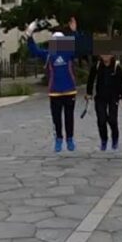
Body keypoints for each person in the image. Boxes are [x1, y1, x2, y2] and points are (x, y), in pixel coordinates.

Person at [27, 17, 80, 152]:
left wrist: (73, 32)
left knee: (69, 117)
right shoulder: (49, 55)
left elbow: (78, 45)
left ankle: (69, 139)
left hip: (69, 90)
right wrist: (29, 35)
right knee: (56, 118)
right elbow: (34, 50)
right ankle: (59, 139)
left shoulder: (68, 52)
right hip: (55, 91)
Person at [85, 54, 122, 151]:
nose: (105, 56)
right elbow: (90, 80)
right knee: (101, 119)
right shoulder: (96, 66)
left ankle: (115, 139)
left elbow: (121, 83)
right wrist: (89, 93)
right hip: (100, 97)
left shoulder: (116, 67)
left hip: (113, 97)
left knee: (112, 119)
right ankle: (104, 139)